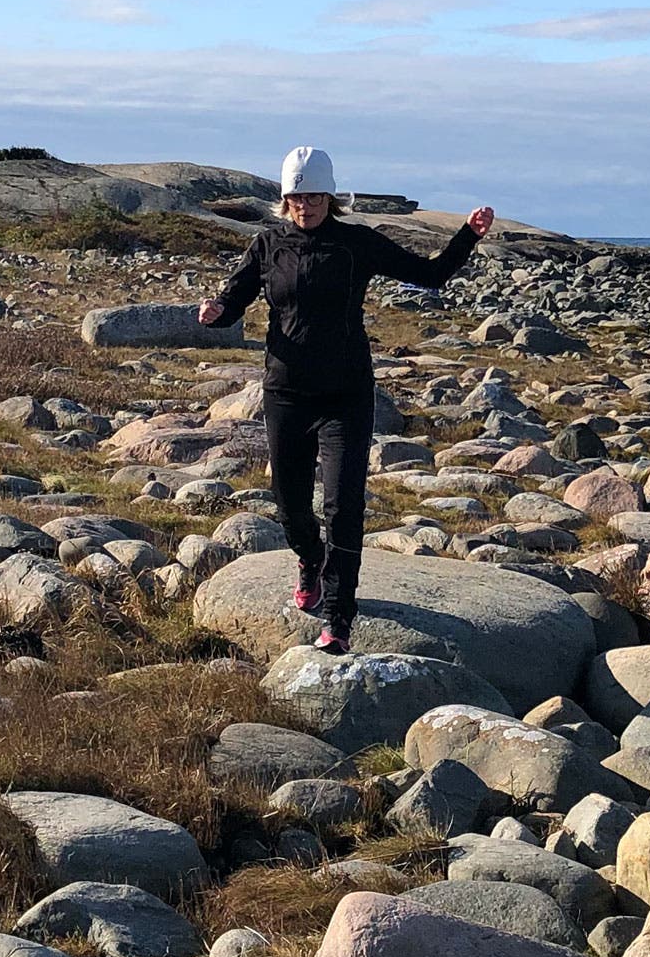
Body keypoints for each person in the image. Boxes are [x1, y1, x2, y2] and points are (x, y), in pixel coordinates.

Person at [199, 146, 494, 654]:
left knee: (343, 508)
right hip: (286, 393)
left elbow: (431, 275)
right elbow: (235, 298)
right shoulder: (268, 245)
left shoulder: (356, 243)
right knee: (291, 508)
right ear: (285, 198)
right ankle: (309, 559)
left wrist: (468, 235)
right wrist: (217, 310)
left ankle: (338, 617)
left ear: (330, 198)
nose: (305, 206)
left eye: (314, 197)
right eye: (296, 197)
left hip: (345, 395)